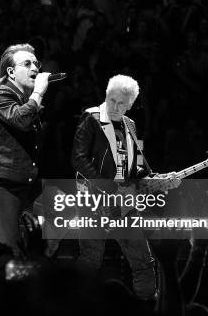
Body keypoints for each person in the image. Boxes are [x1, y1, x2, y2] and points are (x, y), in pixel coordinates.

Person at [71, 74, 179, 301]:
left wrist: (157, 180)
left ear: (130, 104)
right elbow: (79, 159)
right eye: (112, 100)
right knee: (91, 259)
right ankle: (77, 309)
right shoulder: (91, 117)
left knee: (142, 260)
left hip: (124, 199)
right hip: (94, 199)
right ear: (106, 96)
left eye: (121, 103)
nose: (115, 106)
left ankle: (147, 309)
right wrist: (106, 187)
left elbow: (138, 166)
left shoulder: (131, 125)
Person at [0, 43, 51, 256]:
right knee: (12, 254)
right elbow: (20, 120)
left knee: (39, 246)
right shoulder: (1, 95)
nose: (35, 68)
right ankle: (3, 284)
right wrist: (38, 93)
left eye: (36, 63)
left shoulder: (26, 101)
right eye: (27, 64)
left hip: (24, 185)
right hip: (0, 184)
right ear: (10, 72)